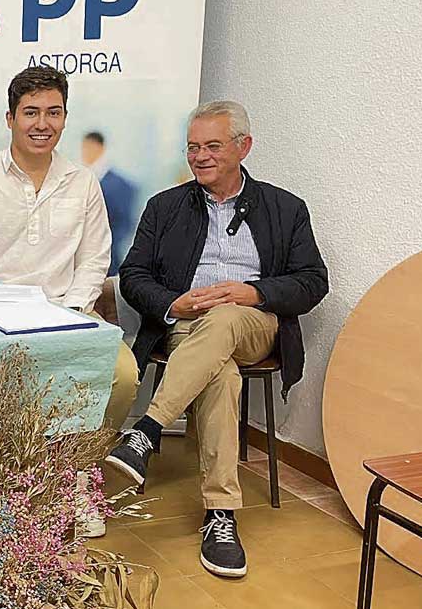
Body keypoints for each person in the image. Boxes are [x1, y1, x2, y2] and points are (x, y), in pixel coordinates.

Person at [108, 101, 328, 579]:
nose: (200, 157)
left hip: (254, 324)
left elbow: (313, 281)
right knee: (221, 376)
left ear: (243, 147)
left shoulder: (284, 208)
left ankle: (145, 430)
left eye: (212, 146)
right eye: (193, 147)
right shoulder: (165, 207)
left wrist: (255, 291)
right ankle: (221, 516)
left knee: (227, 318)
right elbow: (133, 276)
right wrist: (174, 302)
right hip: (187, 325)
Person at [0, 66, 140, 536]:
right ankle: (10, 483)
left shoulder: (83, 182)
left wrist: (69, 310)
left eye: (53, 112)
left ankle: (76, 478)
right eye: (31, 112)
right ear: (9, 118)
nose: (41, 123)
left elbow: (95, 259)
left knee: (122, 375)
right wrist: (0, 314)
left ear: (66, 118)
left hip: (67, 312)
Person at [80, 131, 136, 275]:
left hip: (107, 258)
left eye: (89, 148)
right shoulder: (82, 178)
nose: (85, 153)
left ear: (100, 148)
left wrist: (108, 247)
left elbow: (124, 223)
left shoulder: (119, 184)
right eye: (84, 148)